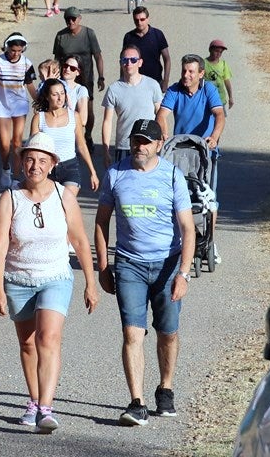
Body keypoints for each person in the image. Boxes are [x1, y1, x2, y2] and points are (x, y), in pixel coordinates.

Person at [0, 132, 99, 434]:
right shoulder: (10, 198)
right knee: (27, 343)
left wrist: (91, 283)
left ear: (52, 164)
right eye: (29, 159)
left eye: (41, 160)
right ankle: (34, 400)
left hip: (55, 277)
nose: (35, 166)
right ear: (22, 163)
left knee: (48, 338)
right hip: (18, 278)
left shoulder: (64, 196)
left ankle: (46, 409)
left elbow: (79, 240)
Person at [94, 119, 195, 426]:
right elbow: (101, 223)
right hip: (129, 264)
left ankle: (165, 388)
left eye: (145, 142)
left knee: (168, 332)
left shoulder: (173, 176)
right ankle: (136, 402)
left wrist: (184, 274)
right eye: (136, 141)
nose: (139, 146)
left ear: (158, 145)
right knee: (132, 332)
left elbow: (188, 230)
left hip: (167, 264)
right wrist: (103, 266)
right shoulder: (115, 174)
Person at [0, 32, 37, 188]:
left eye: (19, 51)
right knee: (4, 143)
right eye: (13, 50)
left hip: (20, 105)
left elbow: (29, 85)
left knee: (17, 141)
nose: (16, 53)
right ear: (7, 47)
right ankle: (5, 168)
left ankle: (15, 176)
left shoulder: (26, 63)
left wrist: (39, 102)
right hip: (2, 104)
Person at [30, 78, 98, 197]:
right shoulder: (39, 118)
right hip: (46, 168)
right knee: (50, 207)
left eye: (62, 93)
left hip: (70, 167)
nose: (60, 98)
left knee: (66, 201)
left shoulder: (74, 116)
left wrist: (93, 172)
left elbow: (82, 145)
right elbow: (33, 149)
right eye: (55, 94)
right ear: (47, 97)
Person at [101, 46, 163, 167]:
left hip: (148, 146)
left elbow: (160, 115)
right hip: (124, 146)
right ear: (120, 63)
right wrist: (105, 150)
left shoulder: (153, 85)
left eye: (133, 60)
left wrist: (160, 142)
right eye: (125, 60)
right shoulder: (113, 89)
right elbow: (107, 122)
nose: (129, 63)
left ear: (140, 62)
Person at [52, 6, 105, 146]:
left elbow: (98, 56)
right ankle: (66, 135)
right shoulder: (60, 36)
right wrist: (54, 77)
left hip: (85, 77)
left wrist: (101, 76)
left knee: (87, 108)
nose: (71, 21)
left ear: (79, 19)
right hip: (66, 76)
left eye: (73, 18)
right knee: (63, 106)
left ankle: (87, 135)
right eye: (68, 19)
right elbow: (56, 59)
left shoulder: (88, 33)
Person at [158, 54, 225, 149]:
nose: (185, 75)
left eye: (191, 72)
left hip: (205, 147)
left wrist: (214, 138)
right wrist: (164, 133)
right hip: (180, 148)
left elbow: (219, 114)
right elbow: (161, 115)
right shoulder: (173, 90)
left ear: (201, 74)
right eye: (184, 71)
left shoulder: (209, 89)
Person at [122, 6, 170, 88]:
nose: (139, 22)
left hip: (155, 81)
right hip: (134, 82)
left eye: (142, 19)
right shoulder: (129, 37)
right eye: (136, 20)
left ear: (147, 19)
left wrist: (165, 81)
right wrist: (122, 80)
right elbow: (124, 60)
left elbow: (167, 59)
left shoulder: (157, 35)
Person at [204, 39, 235, 113]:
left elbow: (227, 81)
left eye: (220, 52)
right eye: (216, 51)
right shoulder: (203, 63)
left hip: (220, 98)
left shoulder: (223, 64)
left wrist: (230, 97)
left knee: (220, 119)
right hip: (206, 98)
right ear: (210, 50)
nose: (218, 54)